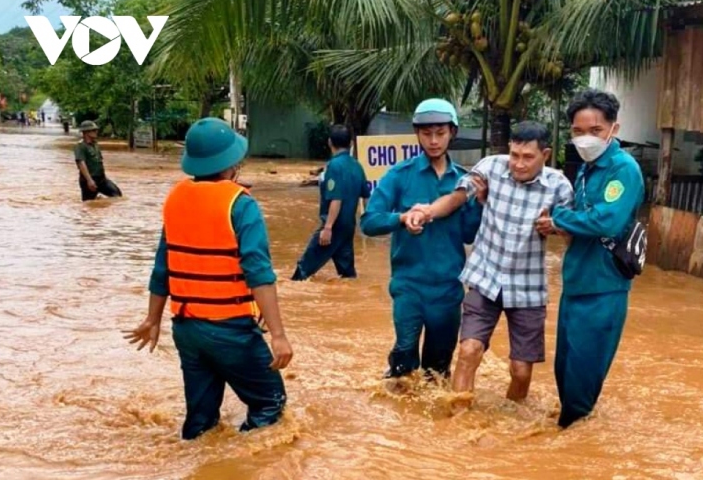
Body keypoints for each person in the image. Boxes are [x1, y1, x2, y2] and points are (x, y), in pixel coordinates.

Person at [123, 117, 295, 440]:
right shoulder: (242, 206)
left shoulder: (175, 200)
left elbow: (163, 267)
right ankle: (244, 465)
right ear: (233, 162)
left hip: (187, 329)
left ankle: (201, 466)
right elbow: (259, 274)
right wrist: (278, 334)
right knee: (271, 404)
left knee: (201, 420)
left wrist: (152, 318)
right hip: (230, 329)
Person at [407, 121, 574, 406]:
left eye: (527, 158)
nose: (518, 164)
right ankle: (458, 419)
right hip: (485, 279)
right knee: (468, 350)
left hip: (528, 289)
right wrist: (428, 212)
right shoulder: (492, 167)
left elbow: (572, 236)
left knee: (520, 371)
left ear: (545, 156)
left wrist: (556, 227)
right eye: (514, 155)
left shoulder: (559, 187)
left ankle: (510, 422)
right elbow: (458, 197)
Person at [535, 89, 645, 428]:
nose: (586, 138)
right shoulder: (585, 169)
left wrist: (558, 220)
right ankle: (570, 435)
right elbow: (583, 221)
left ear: (614, 128)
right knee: (564, 371)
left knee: (581, 382)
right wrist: (556, 225)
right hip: (577, 282)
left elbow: (607, 220)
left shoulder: (623, 169)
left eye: (595, 130)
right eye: (578, 131)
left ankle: (569, 447)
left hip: (604, 288)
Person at [360, 99, 482, 380]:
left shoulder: (464, 183)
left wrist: (479, 204)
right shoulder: (399, 176)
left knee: (437, 371)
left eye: (440, 133)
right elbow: (368, 222)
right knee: (404, 358)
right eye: (427, 133)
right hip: (408, 286)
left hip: (449, 289)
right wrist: (401, 219)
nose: (434, 140)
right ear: (417, 134)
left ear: (452, 132)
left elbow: (468, 234)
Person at [292, 125, 370, 281]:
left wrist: (327, 228)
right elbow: (366, 197)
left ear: (329, 142)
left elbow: (336, 199)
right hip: (348, 228)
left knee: (302, 272)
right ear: (350, 143)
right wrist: (367, 221)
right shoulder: (357, 165)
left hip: (333, 228)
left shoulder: (334, 166)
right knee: (348, 276)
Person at [74, 120, 123, 201]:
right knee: (89, 204)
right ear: (86, 132)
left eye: (96, 130)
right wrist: (89, 180)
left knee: (117, 195)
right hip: (89, 180)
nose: (96, 132)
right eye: (93, 130)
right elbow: (81, 163)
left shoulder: (95, 144)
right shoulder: (81, 146)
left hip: (102, 179)